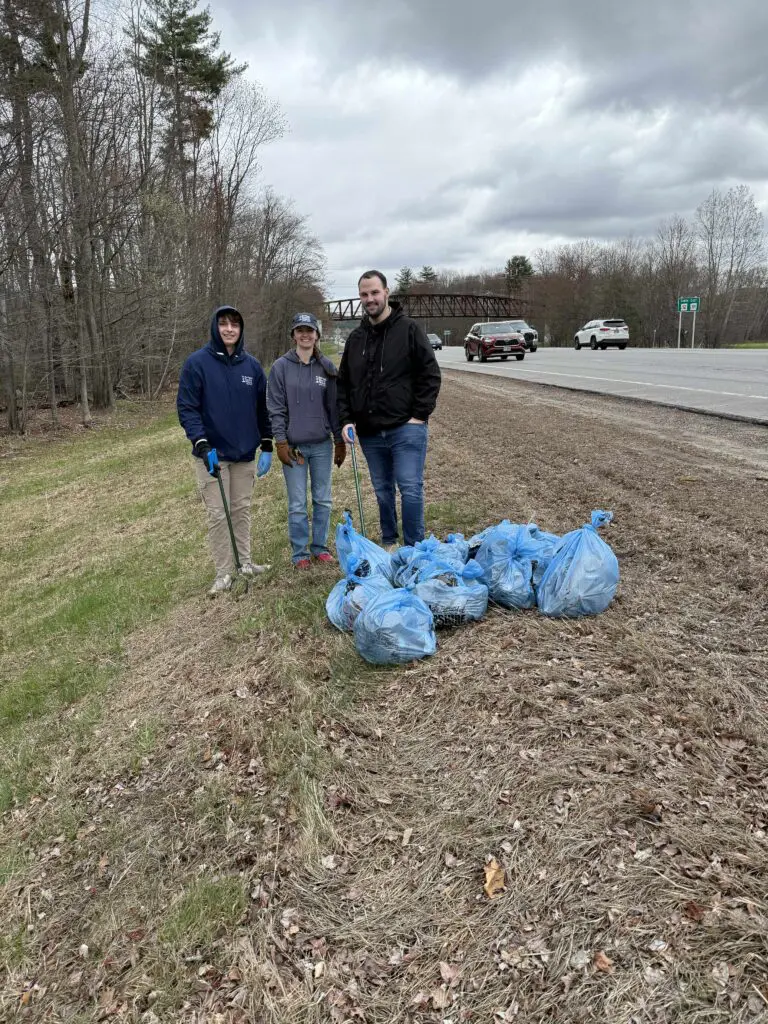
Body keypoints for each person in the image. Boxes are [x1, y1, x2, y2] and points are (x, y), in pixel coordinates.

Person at [337, 270, 441, 549]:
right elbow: (343, 384)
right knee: (383, 491)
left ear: (386, 292)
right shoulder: (356, 339)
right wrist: (346, 419)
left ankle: (414, 549)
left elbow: (430, 374)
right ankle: (389, 542)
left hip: (406, 428)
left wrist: (419, 415)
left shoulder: (409, 329)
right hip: (370, 433)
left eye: (374, 292)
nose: (370, 299)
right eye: (364, 294)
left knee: (410, 489)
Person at [177, 305, 273, 596]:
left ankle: (245, 563)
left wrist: (267, 443)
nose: (229, 329)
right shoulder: (197, 364)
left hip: (244, 455)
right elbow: (187, 408)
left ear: (241, 329)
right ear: (215, 327)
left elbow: (263, 409)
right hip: (212, 455)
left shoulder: (251, 367)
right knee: (219, 514)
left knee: (241, 510)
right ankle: (224, 573)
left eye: (234, 324)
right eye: (223, 324)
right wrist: (201, 442)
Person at [267, 312, 346, 569]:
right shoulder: (280, 367)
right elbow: (276, 408)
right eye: (300, 330)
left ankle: (320, 548)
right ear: (293, 335)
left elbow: (333, 408)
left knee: (323, 499)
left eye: (309, 330)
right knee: (298, 503)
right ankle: (300, 553)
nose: (305, 335)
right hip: (294, 448)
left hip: (322, 445)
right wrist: (281, 442)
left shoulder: (326, 367)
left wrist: (339, 440)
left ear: (316, 335)